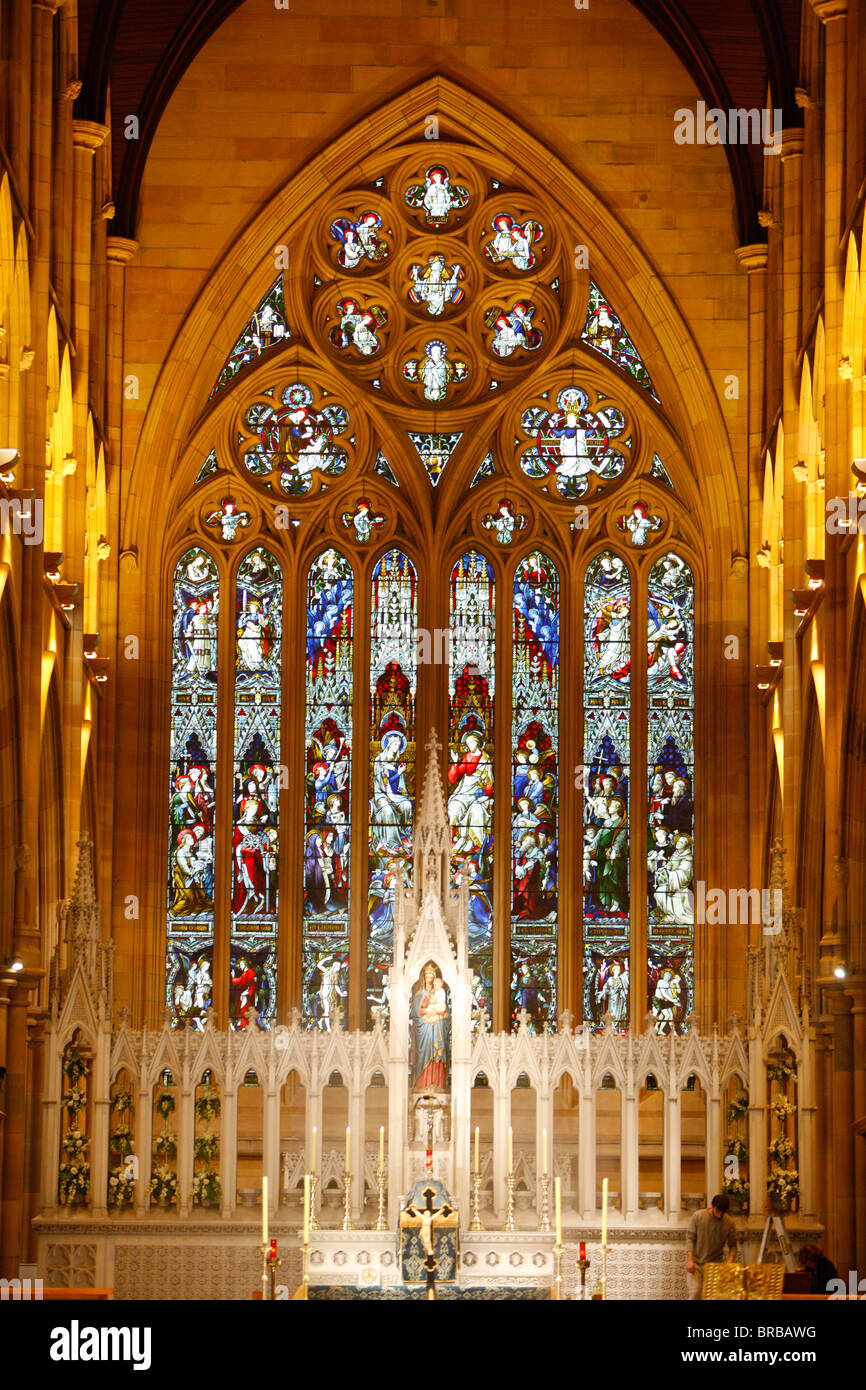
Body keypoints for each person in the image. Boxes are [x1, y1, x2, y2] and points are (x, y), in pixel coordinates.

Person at [686, 1194, 737, 1299]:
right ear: (712, 1207)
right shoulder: (698, 1216)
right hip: (696, 1264)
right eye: (717, 1211)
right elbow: (690, 1239)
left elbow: (733, 1245)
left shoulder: (729, 1222)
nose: (719, 1215)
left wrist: (730, 1259)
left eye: (722, 1213)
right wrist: (690, 1260)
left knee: (714, 1296)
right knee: (695, 1293)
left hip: (715, 1266)